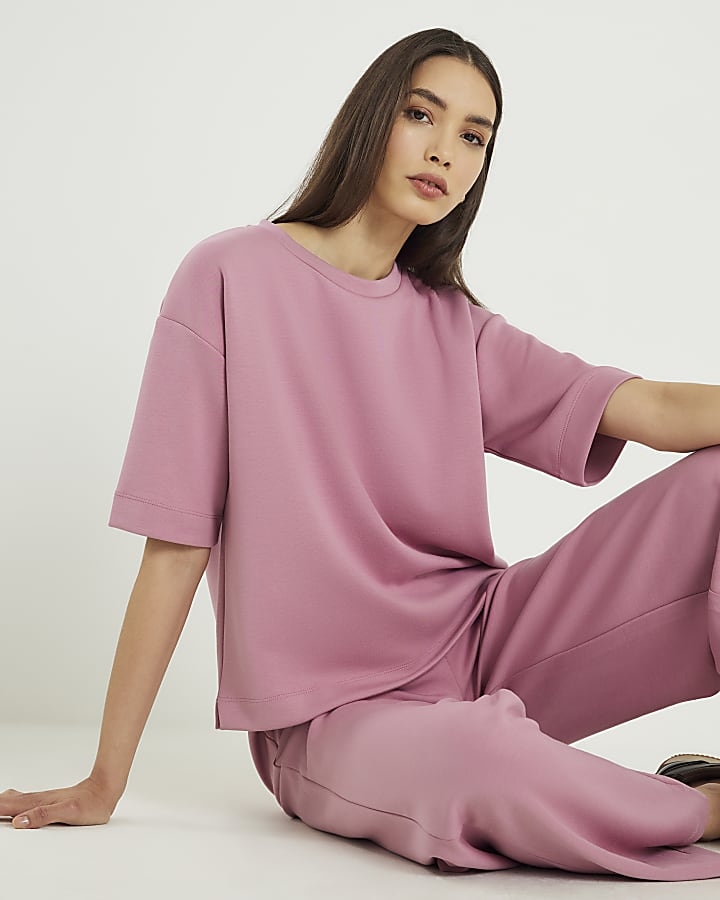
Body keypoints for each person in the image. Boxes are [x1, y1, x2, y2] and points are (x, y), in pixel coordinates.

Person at [3, 26, 720, 883]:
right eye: (422, 114)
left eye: (474, 136)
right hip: (333, 720)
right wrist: (104, 780)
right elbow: (176, 542)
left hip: (487, 641)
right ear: (372, 118)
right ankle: (702, 808)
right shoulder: (230, 275)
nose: (445, 150)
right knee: (476, 762)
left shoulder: (454, 325)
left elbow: (653, 407)